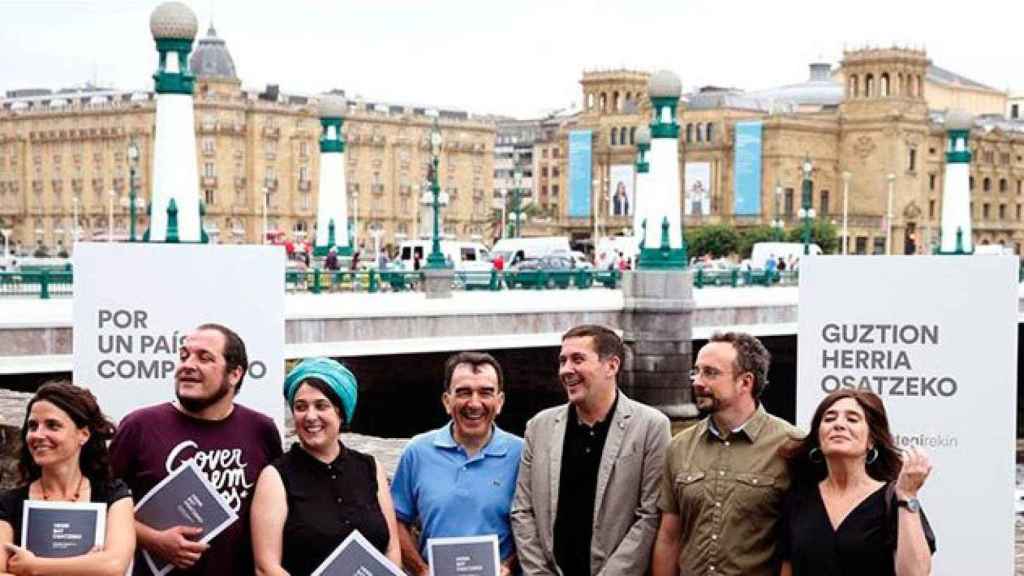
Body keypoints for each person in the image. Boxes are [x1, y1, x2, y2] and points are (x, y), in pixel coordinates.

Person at [110, 323, 283, 575]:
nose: (187, 365)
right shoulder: (139, 426)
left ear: (235, 374)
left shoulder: (261, 429)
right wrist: (152, 539)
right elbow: (99, 505)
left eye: (204, 358)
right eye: (183, 356)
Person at [511, 325, 670, 575]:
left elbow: (649, 515)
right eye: (562, 361)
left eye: (578, 359)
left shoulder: (651, 426)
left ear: (612, 366)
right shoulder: (538, 427)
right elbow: (522, 511)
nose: (566, 370)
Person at [651, 331, 800, 576]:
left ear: (745, 382)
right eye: (696, 371)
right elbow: (669, 536)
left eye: (710, 373)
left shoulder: (791, 446)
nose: (697, 382)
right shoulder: (679, 446)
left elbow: (796, 547)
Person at [251, 358, 401, 574]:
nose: (310, 416)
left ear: (340, 413)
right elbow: (266, 567)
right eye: (301, 407)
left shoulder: (370, 467)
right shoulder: (275, 477)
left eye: (321, 406)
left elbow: (392, 548)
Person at [391, 352, 523, 576]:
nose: (474, 403)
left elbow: (538, 525)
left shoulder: (522, 454)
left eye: (485, 392)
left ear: (499, 402)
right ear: (446, 400)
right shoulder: (417, 452)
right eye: (463, 392)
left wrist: (509, 566)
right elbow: (395, 520)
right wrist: (421, 570)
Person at [778, 390, 935, 576]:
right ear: (818, 439)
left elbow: (915, 574)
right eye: (829, 419)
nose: (838, 425)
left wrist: (908, 495)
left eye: (852, 419)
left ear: (871, 440)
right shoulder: (798, 499)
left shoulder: (894, 498)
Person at [0, 382, 135, 575]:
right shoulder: (8, 503)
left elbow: (113, 566)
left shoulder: (113, 495)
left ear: (83, 434)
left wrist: (33, 567)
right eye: (32, 426)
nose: (38, 435)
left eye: (52, 425)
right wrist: (87, 567)